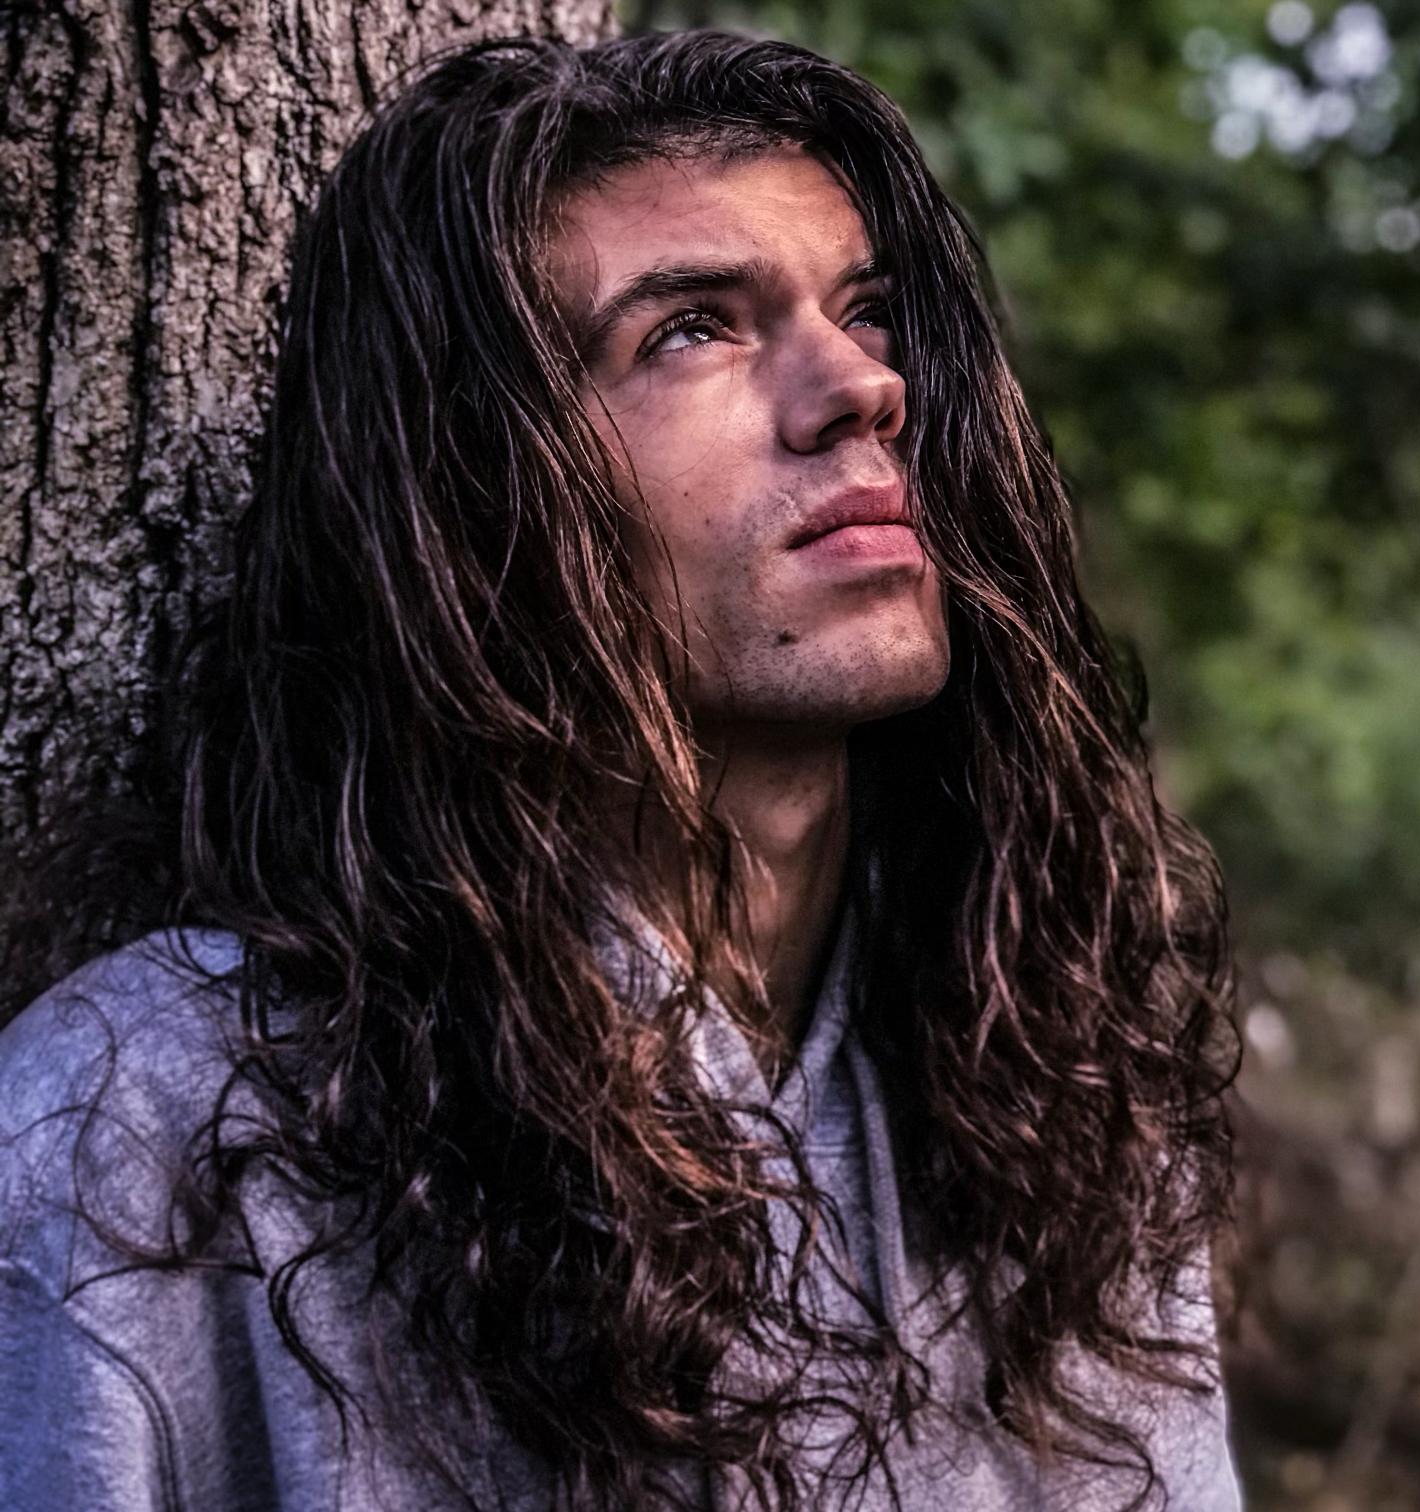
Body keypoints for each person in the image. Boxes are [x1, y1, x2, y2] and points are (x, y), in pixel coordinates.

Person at [0, 30, 1242, 1512]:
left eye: (867, 311)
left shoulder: (1052, 1088)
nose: (861, 385)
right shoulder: (143, 1141)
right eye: (691, 330)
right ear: (471, 497)